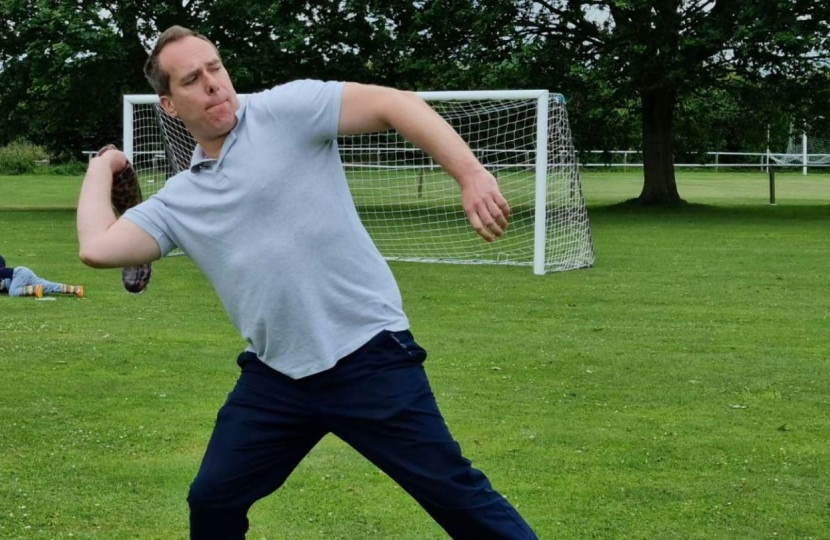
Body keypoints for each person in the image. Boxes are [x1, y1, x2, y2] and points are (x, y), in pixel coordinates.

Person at [77, 25, 538, 540]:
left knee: (459, 497)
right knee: (212, 499)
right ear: (169, 104)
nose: (213, 84)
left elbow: (393, 103)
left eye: (215, 68)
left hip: (369, 356)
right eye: (192, 79)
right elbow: (97, 247)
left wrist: (470, 173)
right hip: (277, 380)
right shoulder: (180, 200)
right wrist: (104, 165)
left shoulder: (284, 110)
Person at [0, 254, 84, 298]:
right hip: (25, 276)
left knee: (13, 292)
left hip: (20, 274)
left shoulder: (2, 272)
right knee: (48, 286)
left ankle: (34, 289)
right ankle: (75, 289)